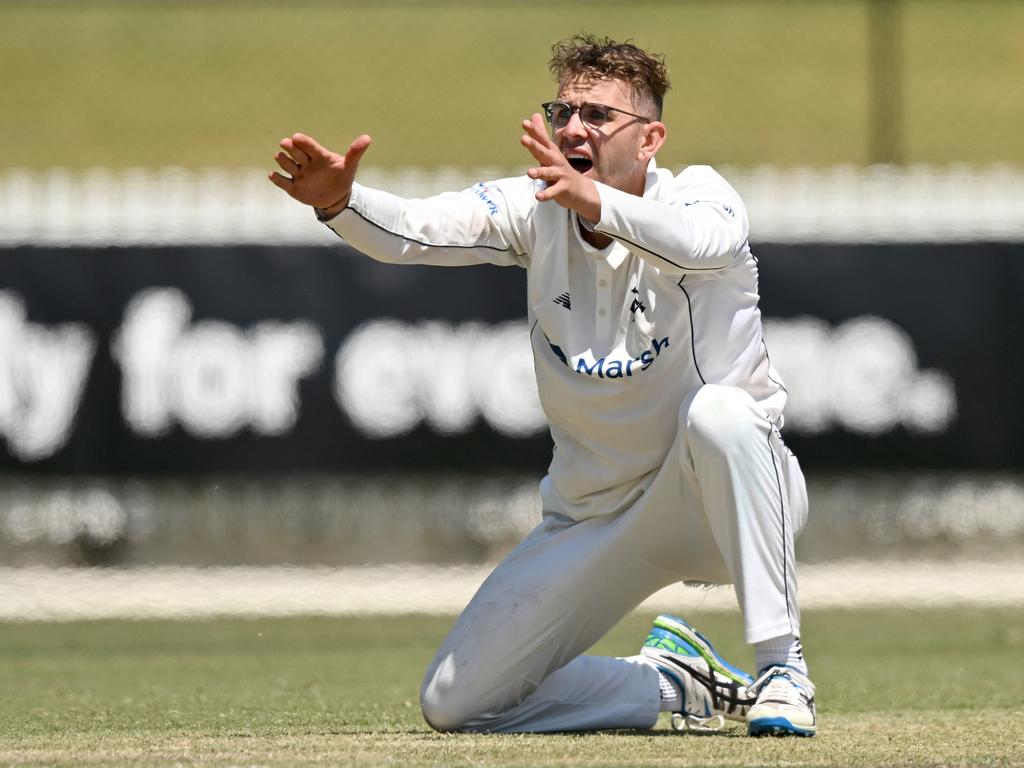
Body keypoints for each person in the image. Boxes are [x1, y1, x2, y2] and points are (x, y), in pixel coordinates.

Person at [269, 34, 816, 737]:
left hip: (720, 499)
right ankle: (671, 686)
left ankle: (782, 669)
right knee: (455, 703)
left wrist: (594, 201)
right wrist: (342, 203)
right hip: (596, 518)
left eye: (597, 115)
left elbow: (698, 245)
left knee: (722, 414)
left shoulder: (703, 197)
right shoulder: (537, 207)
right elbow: (418, 229)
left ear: (650, 139)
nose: (573, 128)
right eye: (564, 110)